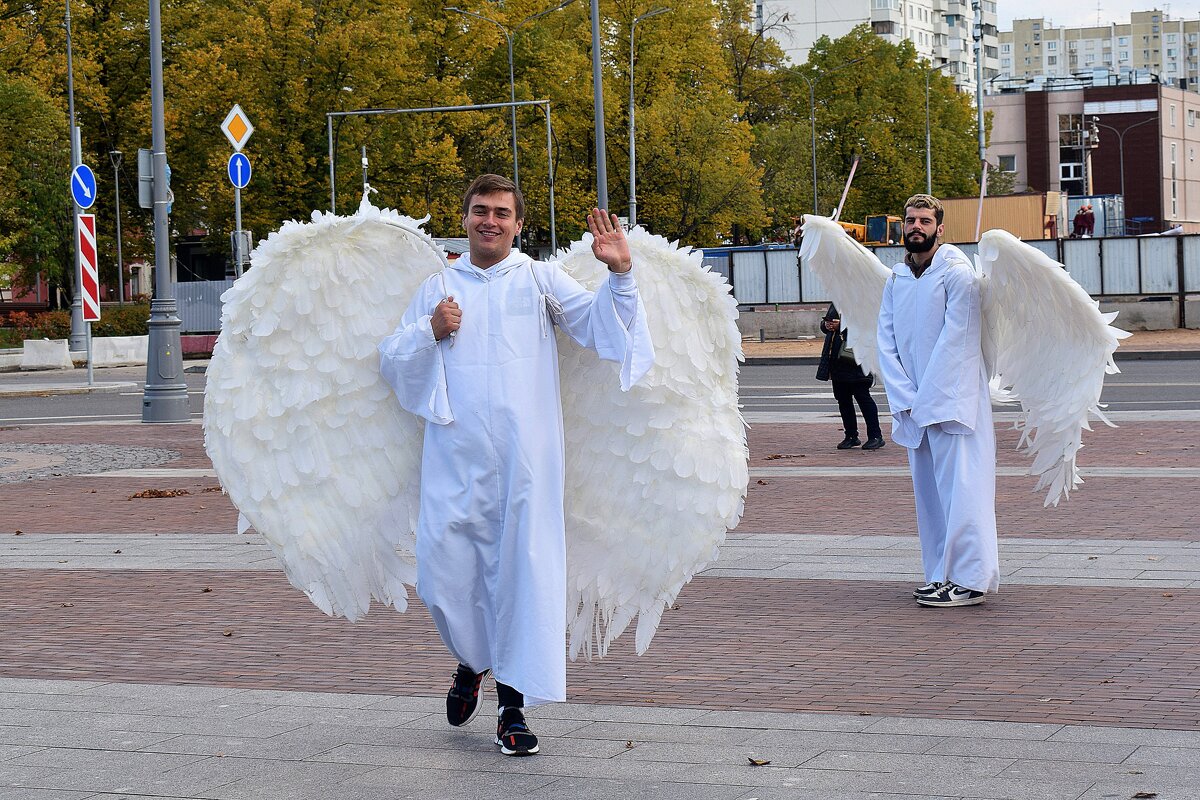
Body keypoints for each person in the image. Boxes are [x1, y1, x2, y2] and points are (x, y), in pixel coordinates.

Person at [377, 174, 653, 755]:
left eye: (502, 213)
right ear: (466, 217)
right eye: (481, 211)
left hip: (527, 466)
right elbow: (393, 362)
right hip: (455, 462)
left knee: (521, 579)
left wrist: (620, 273)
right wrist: (431, 331)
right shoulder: (438, 286)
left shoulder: (539, 280)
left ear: (519, 224)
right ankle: (471, 661)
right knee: (442, 576)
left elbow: (604, 330)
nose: (490, 221)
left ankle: (513, 708)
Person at [876, 194, 999, 608]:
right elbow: (886, 342)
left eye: (924, 220)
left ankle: (972, 578)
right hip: (916, 408)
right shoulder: (897, 279)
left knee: (963, 490)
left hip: (953, 403)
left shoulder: (956, 273)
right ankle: (940, 575)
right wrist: (906, 399)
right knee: (929, 495)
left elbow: (958, 340)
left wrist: (929, 397)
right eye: (910, 220)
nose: (916, 227)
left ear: (939, 228)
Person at [816, 303, 883, 450]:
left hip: (856, 360)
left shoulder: (860, 301)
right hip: (837, 362)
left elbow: (867, 326)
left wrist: (841, 326)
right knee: (843, 400)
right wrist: (826, 325)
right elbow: (827, 325)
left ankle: (875, 436)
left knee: (863, 398)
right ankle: (851, 435)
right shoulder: (836, 300)